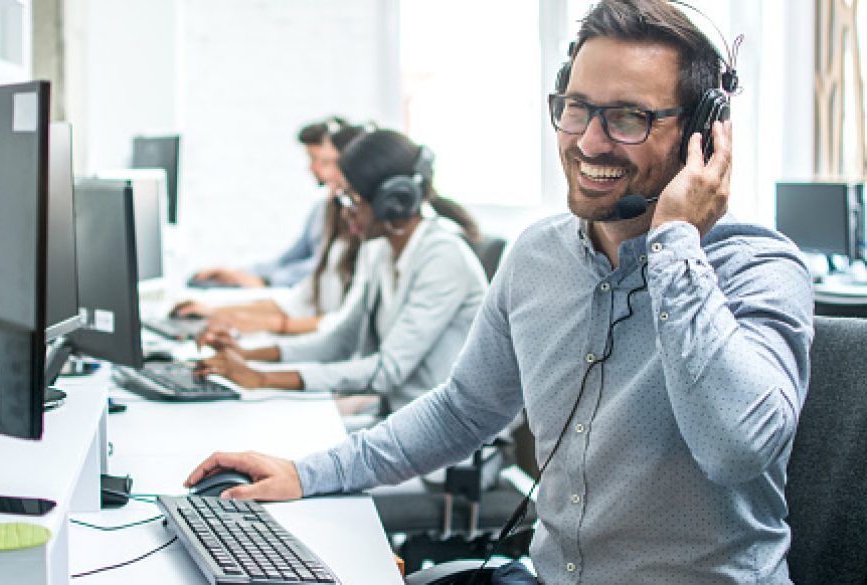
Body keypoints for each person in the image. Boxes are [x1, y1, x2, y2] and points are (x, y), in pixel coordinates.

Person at [184, 1, 816, 583]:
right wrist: (307, 472)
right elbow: (463, 409)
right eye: (576, 107)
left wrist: (675, 241)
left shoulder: (758, 268)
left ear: (702, 133)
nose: (588, 142)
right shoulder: (538, 255)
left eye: (628, 118)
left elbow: (737, 449)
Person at [194, 129, 488, 416]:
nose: (344, 212)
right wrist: (246, 357)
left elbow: (388, 371)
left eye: (351, 199)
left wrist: (261, 379)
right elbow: (339, 340)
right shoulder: (379, 249)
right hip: (401, 418)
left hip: (449, 435)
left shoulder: (443, 257)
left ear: (391, 201)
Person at [171, 125, 367, 335]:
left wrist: (261, 289)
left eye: (327, 162)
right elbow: (295, 283)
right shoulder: (327, 214)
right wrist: (219, 307)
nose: (319, 170)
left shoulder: (363, 240)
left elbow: (339, 323)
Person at [189, 116, 349, 288]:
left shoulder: (352, 214)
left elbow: (325, 267)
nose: (313, 167)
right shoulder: (321, 210)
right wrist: (238, 274)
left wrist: (266, 281)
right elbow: (288, 259)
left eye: (319, 160)